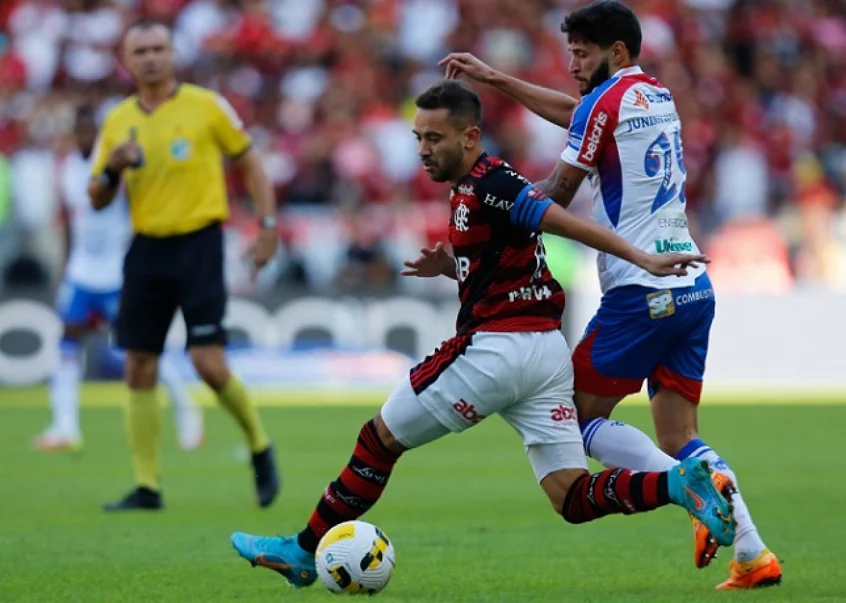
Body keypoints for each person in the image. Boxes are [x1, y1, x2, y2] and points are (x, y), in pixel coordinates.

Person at [228, 80, 735, 589]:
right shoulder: (472, 189)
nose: (424, 150)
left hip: (495, 350)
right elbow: (509, 259)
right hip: (543, 355)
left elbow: (559, 221)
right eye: (418, 137)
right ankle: (677, 484)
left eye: (435, 138)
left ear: (470, 138)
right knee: (570, 495)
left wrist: (641, 257)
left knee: (377, 440)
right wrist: (454, 266)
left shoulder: (493, 184)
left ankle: (301, 551)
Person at [440, 1, 781, 589]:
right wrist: (495, 79)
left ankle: (689, 493)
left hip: (640, 295)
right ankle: (753, 555)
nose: (572, 62)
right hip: (692, 288)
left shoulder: (604, 104)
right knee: (679, 437)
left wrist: (489, 220)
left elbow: (557, 195)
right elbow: (580, 114)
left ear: (615, 52)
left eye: (582, 52)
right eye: (570, 51)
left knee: (570, 417)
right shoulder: (654, 95)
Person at [88, 18, 279, 511]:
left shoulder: (205, 106)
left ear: (173, 54)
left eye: (158, 48)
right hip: (147, 246)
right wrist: (112, 167)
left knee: (208, 364)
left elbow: (251, 162)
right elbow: (96, 198)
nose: (150, 57)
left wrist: (267, 226)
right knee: (138, 363)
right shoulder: (117, 121)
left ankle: (259, 445)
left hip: (199, 244)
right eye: (141, 51)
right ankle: (147, 486)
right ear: (127, 61)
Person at [34, 105, 203, 454]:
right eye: (77, 132)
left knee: (142, 349)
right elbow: (70, 223)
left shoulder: (116, 167)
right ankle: (65, 427)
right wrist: (65, 268)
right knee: (66, 345)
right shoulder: (66, 168)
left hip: (116, 272)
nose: (82, 138)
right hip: (81, 273)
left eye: (88, 132)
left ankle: (189, 413)